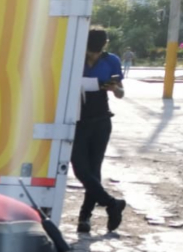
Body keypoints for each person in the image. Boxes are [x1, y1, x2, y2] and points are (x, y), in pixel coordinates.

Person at [74, 28, 127, 236]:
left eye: (96, 52)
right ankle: (112, 203)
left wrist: (114, 88)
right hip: (77, 118)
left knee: (94, 170)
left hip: (101, 119)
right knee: (79, 168)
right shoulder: (74, 57)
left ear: (104, 46)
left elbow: (121, 93)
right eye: (90, 52)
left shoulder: (111, 60)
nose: (93, 56)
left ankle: (84, 217)